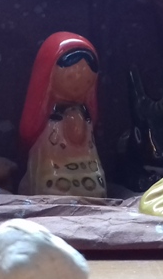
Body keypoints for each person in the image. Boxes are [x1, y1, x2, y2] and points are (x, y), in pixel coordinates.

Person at [18, 32, 106, 197]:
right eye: (70, 77)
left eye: (87, 81)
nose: (78, 86)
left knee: (93, 185)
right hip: (53, 160)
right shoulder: (48, 115)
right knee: (52, 185)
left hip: (85, 160)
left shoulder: (85, 112)